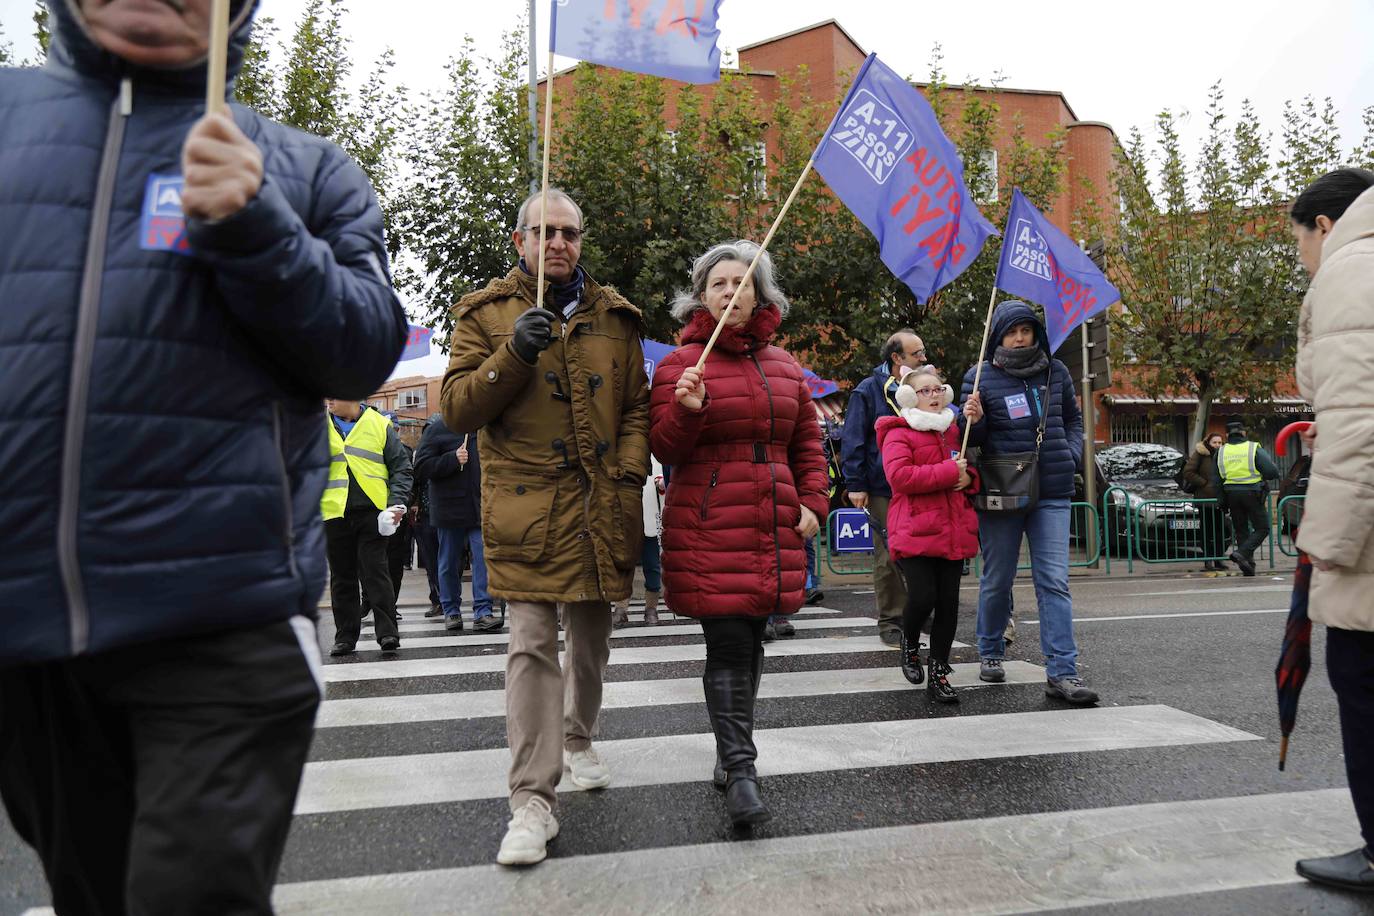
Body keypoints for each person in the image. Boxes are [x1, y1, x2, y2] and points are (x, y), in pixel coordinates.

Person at [0, 0, 408, 910]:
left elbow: (366, 347)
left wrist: (259, 228)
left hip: (225, 619)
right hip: (24, 626)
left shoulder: (302, 168)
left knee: (191, 897)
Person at [443, 187, 650, 866]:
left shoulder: (616, 317)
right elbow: (457, 409)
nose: (558, 243)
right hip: (526, 510)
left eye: (570, 232)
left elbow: (635, 409)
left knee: (591, 642)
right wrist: (513, 357)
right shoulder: (484, 312)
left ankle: (579, 738)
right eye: (545, 232)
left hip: (598, 505)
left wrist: (625, 471)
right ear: (520, 241)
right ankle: (532, 801)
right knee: (531, 643)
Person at [651, 240, 828, 828]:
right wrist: (688, 409)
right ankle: (740, 767)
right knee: (727, 642)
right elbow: (666, 446)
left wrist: (814, 503)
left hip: (772, 520)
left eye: (742, 282)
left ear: (760, 294)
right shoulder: (682, 365)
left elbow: (807, 442)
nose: (731, 291)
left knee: (752, 639)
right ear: (701, 296)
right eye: (719, 283)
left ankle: (733, 755)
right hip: (709, 520)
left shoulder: (784, 367)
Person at [1288, 167, 1374, 893]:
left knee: (1360, 675)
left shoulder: (1352, 267)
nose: (1305, 266)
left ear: (1323, 224)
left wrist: (1329, 542)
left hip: (1370, 527)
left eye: (1298, 249)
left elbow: (1360, 425)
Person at [961, 301, 1100, 705]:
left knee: (1054, 582)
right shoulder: (980, 376)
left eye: (1026, 330)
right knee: (997, 578)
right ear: (999, 337)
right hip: (1003, 488)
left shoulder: (1055, 371)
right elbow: (974, 438)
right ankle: (989, 651)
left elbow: (1073, 420)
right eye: (1011, 332)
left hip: (1052, 490)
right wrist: (973, 417)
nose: (1020, 338)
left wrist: (1070, 452)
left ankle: (1063, 672)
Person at [877, 367, 980, 703]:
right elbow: (900, 478)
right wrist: (951, 472)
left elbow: (966, 468)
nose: (934, 395)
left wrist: (970, 479)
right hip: (916, 529)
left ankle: (939, 674)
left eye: (938, 389)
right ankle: (909, 641)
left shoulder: (953, 432)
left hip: (952, 530)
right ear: (909, 397)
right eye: (924, 390)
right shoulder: (898, 433)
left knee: (949, 605)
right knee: (923, 598)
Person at [840, 330, 925, 645]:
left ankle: (918, 610)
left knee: (921, 552)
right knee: (888, 554)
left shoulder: (921, 387)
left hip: (919, 483)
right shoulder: (869, 390)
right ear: (897, 358)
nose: (924, 358)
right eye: (917, 353)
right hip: (882, 487)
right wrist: (856, 483)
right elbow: (854, 439)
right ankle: (891, 619)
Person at [323, 399, 413, 656]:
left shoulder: (379, 425)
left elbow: (401, 468)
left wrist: (396, 504)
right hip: (333, 512)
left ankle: (387, 633)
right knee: (342, 577)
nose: (328, 401)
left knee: (376, 571)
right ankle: (345, 637)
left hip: (372, 512)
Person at [414, 414, 500, 632]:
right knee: (449, 563)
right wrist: (452, 459)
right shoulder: (437, 429)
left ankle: (483, 611)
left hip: (480, 506)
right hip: (449, 509)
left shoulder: (484, 427)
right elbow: (422, 467)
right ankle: (451, 610)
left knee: (483, 558)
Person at [1213, 418, 1280, 576]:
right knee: (1263, 528)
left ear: (1227, 434)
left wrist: (1222, 502)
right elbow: (1272, 472)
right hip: (1252, 493)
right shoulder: (1253, 448)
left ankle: (1248, 566)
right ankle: (1242, 554)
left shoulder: (1220, 452)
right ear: (1243, 432)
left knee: (1242, 530)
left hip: (1231, 495)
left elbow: (1216, 481)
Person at [612, 456, 665, 627]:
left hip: (649, 516)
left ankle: (651, 609)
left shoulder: (654, 457)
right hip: (626, 518)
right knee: (624, 565)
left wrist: (661, 484)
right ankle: (621, 608)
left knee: (652, 566)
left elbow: (661, 478)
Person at [1182, 432, 1229, 572]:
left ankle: (1219, 559)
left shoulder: (1224, 454)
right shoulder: (1200, 453)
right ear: (1208, 442)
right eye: (1215, 442)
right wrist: (1204, 483)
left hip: (1220, 499)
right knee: (1207, 531)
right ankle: (1208, 560)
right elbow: (1188, 472)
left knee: (1220, 530)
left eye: (1220, 442)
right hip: (1205, 499)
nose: (1217, 445)